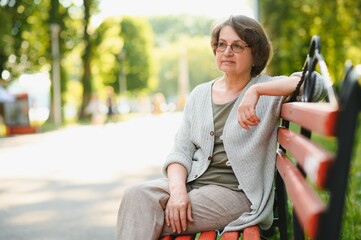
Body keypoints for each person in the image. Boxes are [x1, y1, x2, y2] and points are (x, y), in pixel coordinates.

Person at [115, 15, 326, 240]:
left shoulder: (268, 90)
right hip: (192, 184)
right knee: (135, 196)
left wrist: (256, 92)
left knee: (150, 215)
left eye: (237, 46)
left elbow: (317, 83)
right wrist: (177, 192)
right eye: (221, 45)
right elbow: (181, 151)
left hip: (236, 194)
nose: (227, 52)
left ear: (255, 54)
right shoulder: (199, 94)